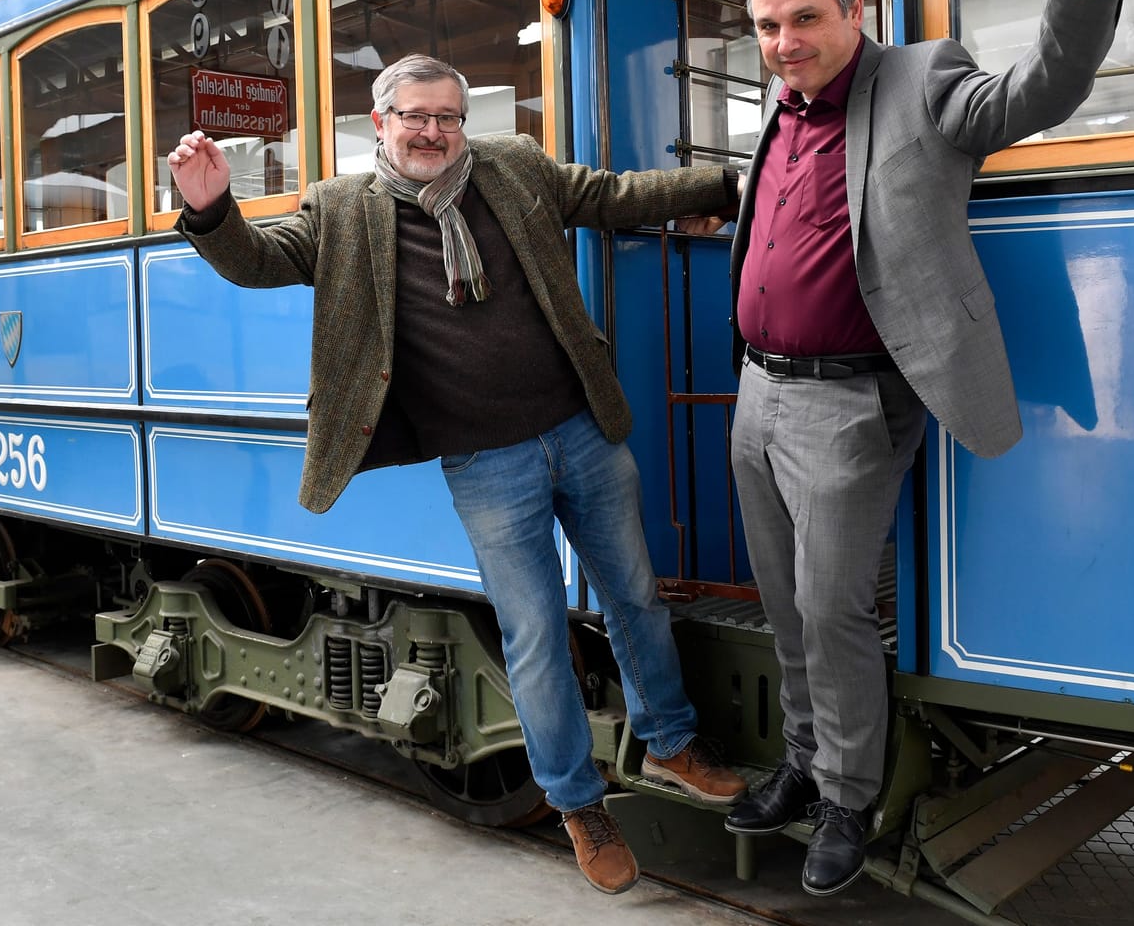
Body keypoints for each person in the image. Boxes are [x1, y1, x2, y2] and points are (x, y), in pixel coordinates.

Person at [167, 53, 748, 896]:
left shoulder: (512, 167)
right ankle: (578, 803)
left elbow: (613, 196)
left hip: (581, 430)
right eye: (415, 116)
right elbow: (260, 261)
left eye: (447, 116)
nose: (432, 131)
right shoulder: (340, 210)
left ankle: (671, 741)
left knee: (635, 594)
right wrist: (211, 208)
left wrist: (728, 185)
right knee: (538, 633)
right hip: (487, 465)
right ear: (382, 123)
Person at [719, 0, 1134, 896]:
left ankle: (849, 798)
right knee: (783, 602)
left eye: (804, 18)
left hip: (850, 401)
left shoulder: (919, 81)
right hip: (757, 394)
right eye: (768, 25)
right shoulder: (780, 108)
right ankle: (803, 761)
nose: (784, 42)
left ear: (854, 7)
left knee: (831, 607)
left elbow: (1032, 94)